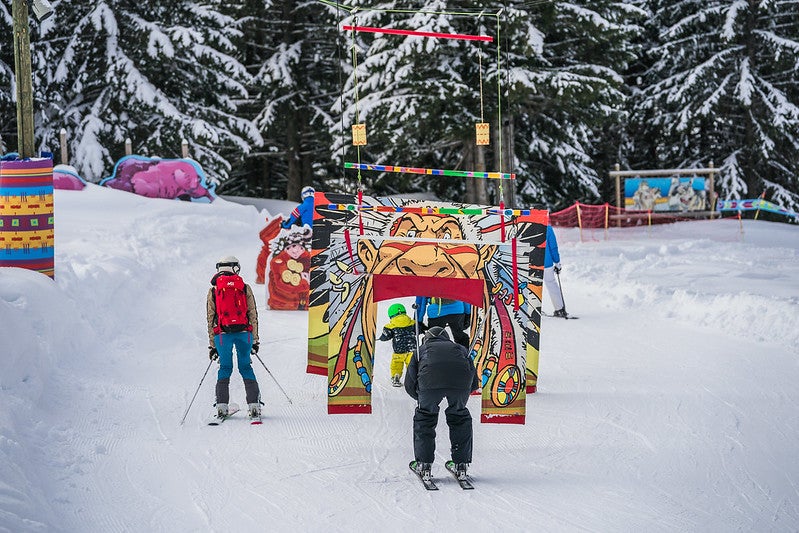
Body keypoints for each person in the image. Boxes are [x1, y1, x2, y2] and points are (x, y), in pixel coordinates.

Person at [405, 326, 480, 481]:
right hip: (460, 385)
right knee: (460, 417)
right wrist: (463, 394)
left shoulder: (420, 351)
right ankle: (461, 465)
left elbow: (409, 383)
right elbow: (474, 381)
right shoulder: (461, 349)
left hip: (429, 385)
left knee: (425, 419)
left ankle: (424, 465)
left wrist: (421, 399)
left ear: (427, 338)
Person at [207, 256, 262, 420]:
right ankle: (254, 406)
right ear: (235, 268)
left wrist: (213, 345)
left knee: (225, 368)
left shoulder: (213, 290)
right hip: (244, 333)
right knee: (245, 367)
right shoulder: (244, 288)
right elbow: (253, 314)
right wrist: (255, 340)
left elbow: (211, 318)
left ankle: (222, 407)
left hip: (222, 336)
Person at [378, 303, 417, 387]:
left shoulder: (390, 326)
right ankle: (414, 379)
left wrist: (382, 338)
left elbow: (386, 336)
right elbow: (419, 329)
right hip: (412, 349)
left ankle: (396, 376)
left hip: (399, 350)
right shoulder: (413, 323)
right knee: (412, 364)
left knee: (396, 364)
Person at [543, 225, 567, 317]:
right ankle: (559, 309)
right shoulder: (548, 228)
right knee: (551, 284)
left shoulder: (524, 224)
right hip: (546, 262)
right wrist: (557, 262)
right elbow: (553, 247)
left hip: (530, 263)